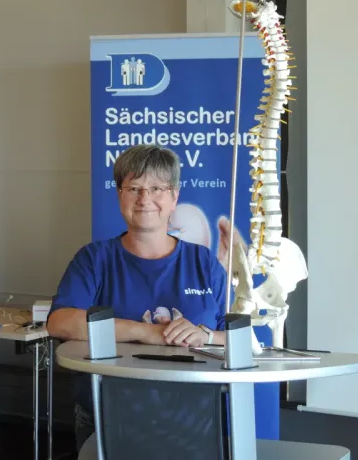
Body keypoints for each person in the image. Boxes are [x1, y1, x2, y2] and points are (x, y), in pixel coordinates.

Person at [46, 144, 229, 451]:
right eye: (134, 188)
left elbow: (235, 337)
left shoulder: (204, 263)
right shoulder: (94, 259)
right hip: (108, 414)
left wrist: (205, 335)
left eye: (157, 188)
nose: (145, 199)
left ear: (174, 197)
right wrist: (147, 332)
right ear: (120, 194)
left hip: (194, 418)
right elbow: (59, 322)